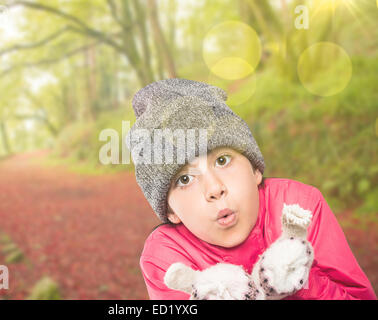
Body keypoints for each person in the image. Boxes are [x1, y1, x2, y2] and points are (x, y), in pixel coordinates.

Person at [124, 78, 376, 300]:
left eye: (222, 160)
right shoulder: (167, 258)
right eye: (185, 179)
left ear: (255, 169)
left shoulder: (299, 205)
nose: (214, 189)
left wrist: (303, 282)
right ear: (170, 211)